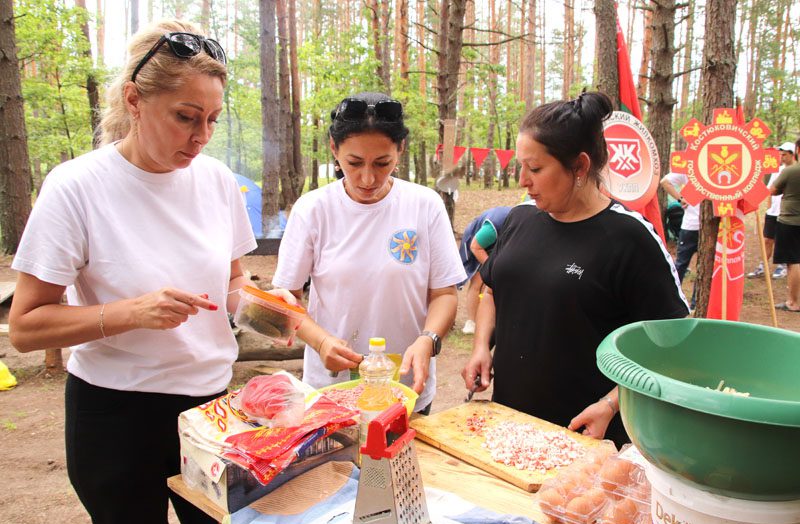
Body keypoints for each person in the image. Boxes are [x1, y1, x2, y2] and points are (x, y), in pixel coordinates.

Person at [9, 20, 267, 524]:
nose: (201, 137)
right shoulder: (76, 186)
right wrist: (131, 313)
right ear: (134, 100)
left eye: (212, 120)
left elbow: (232, 285)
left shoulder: (217, 180)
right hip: (115, 415)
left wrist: (270, 310)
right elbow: (25, 326)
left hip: (212, 409)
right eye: (185, 117)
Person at [461, 92, 689, 447]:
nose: (522, 180)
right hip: (510, 425)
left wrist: (611, 404)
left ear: (580, 166)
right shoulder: (520, 219)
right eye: (521, 166)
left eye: (535, 169)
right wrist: (480, 347)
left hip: (585, 435)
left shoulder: (629, 237)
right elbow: (492, 291)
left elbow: (671, 342)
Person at [272, 92, 466, 414]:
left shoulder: (424, 205)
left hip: (406, 388)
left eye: (382, 163)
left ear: (400, 149)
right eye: (354, 163)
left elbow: (444, 294)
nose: (367, 178)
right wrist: (321, 341)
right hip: (332, 390)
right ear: (334, 149)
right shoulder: (313, 209)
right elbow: (286, 298)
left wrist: (428, 339)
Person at [458, 206, 512, 334]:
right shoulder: (491, 229)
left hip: (495, 244)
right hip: (476, 244)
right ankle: (471, 322)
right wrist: (492, 267)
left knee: (489, 282)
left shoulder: (519, 225)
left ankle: (486, 318)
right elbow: (475, 247)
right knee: (478, 281)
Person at [748, 142, 796, 279]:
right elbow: (770, 191)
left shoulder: (794, 171)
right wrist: (769, 209)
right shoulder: (777, 170)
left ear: (792, 155)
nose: (781, 157)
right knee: (767, 240)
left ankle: (782, 266)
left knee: (784, 241)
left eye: (784, 154)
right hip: (773, 212)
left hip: (787, 213)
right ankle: (763, 265)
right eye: (780, 154)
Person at [660, 171, 699, 310]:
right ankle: (675, 301)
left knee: (687, 265)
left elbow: (665, 182)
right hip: (691, 225)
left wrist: (681, 199)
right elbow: (665, 182)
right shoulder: (690, 167)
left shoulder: (692, 167)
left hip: (699, 226)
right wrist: (681, 199)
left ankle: (686, 303)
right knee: (684, 266)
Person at [770, 138, 800, 312]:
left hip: (791, 221)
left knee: (793, 261)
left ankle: (794, 302)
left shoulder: (791, 171)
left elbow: (773, 190)